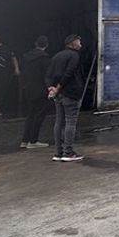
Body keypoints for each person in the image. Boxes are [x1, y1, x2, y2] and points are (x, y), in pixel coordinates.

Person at [47, 34, 86, 162]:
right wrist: (59, 86)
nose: (81, 45)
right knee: (70, 121)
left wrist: (51, 88)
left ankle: (58, 152)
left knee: (59, 121)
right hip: (70, 92)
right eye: (79, 42)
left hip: (58, 95)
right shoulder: (74, 56)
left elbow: (48, 74)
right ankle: (68, 152)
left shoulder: (56, 56)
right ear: (73, 43)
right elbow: (68, 73)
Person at [19, 36, 52, 149]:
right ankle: (33, 140)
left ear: (35, 43)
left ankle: (25, 140)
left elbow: (22, 73)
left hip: (29, 89)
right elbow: (47, 75)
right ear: (46, 45)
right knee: (39, 115)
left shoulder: (26, 57)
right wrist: (50, 88)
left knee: (30, 115)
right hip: (41, 90)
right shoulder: (44, 58)